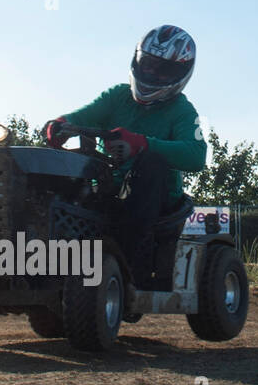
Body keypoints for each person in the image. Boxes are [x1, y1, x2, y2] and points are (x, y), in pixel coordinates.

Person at [43, 25, 206, 286]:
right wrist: (60, 124)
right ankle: (44, 258)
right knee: (59, 171)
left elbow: (197, 156)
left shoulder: (183, 111)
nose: (152, 73)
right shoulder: (118, 96)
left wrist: (142, 144)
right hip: (108, 186)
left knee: (150, 164)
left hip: (158, 201)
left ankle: (130, 267)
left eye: (162, 69)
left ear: (180, 73)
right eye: (148, 65)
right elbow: (82, 116)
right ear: (137, 60)